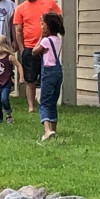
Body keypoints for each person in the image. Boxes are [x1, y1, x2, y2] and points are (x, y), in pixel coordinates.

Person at [13, 0, 62, 113]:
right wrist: (22, 48)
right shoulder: (20, 8)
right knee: (30, 78)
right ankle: (31, 106)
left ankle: (48, 102)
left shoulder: (49, 3)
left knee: (47, 75)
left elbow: (59, 18)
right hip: (29, 46)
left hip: (47, 47)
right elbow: (18, 29)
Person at [32, 12, 65, 141]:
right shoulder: (58, 40)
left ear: (48, 26)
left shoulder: (46, 40)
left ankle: (47, 130)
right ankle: (54, 129)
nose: (41, 26)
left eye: (43, 24)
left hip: (48, 72)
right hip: (58, 72)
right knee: (53, 102)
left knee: (44, 102)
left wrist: (41, 36)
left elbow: (35, 51)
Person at [0, 35, 24, 124]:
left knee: (4, 98)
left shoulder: (9, 57)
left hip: (6, 83)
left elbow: (19, 66)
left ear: (2, 46)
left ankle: (8, 114)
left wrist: (21, 77)